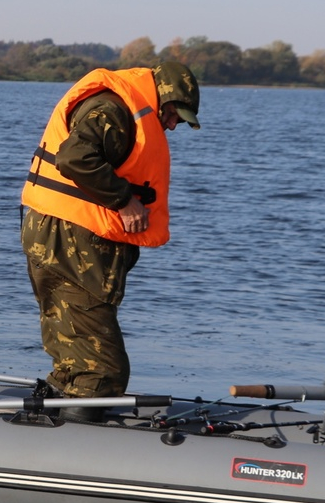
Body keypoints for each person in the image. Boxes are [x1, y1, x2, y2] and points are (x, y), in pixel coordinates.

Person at [20, 62, 200, 420]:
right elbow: (75, 157)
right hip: (71, 244)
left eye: (180, 120)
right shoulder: (115, 108)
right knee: (104, 373)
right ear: (161, 94)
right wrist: (124, 200)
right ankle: (78, 438)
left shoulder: (122, 106)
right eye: (173, 114)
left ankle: (59, 405)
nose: (172, 124)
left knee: (73, 343)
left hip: (55, 237)